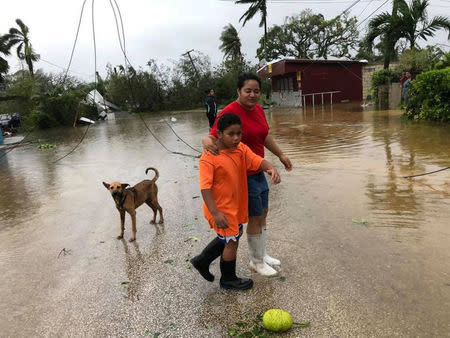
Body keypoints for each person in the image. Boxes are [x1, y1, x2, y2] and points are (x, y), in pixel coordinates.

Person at [202, 73, 292, 277]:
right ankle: (256, 261)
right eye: (248, 91)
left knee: (264, 213)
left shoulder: (258, 109)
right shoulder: (230, 111)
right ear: (238, 91)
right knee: (255, 216)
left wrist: (280, 154)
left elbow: (264, 135)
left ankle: (262, 253)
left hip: (259, 168)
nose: (253, 95)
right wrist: (205, 140)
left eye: (256, 91)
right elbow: (213, 135)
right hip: (242, 175)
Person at [191, 113, 281, 290]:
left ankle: (202, 260)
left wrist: (270, 167)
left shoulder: (241, 149)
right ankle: (228, 279)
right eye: (230, 134)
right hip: (220, 208)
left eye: (238, 133)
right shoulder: (209, 157)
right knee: (232, 242)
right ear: (219, 134)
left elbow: (256, 160)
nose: (236, 138)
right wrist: (216, 213)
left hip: (234, 206)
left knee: (232, 235)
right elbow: (205, 188)